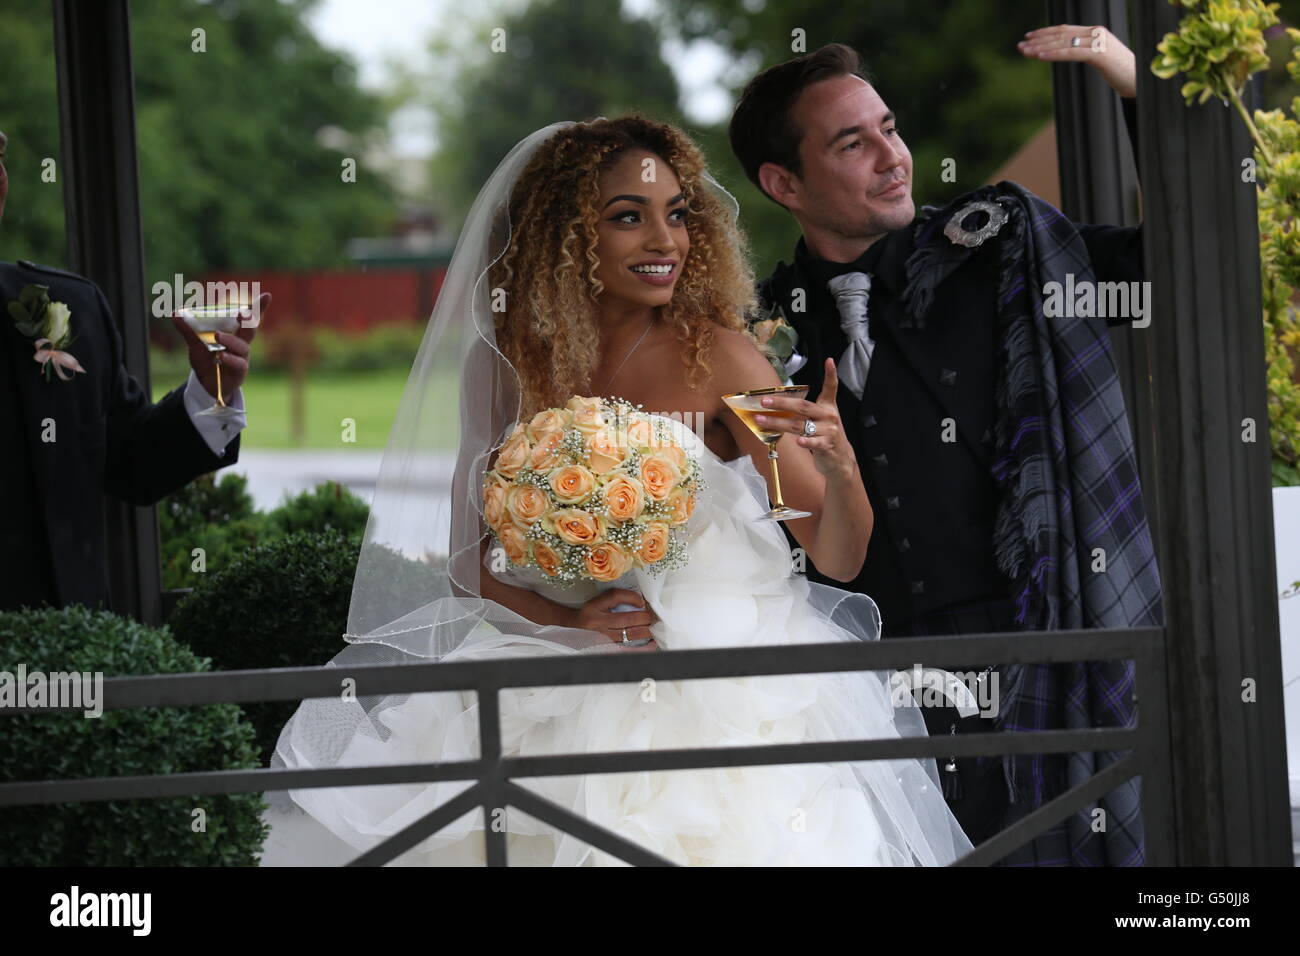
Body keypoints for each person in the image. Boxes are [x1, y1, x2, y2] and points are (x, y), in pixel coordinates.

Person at [267, 115, 974, 866]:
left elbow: (836, 556)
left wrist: (839, 464)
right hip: (555, 679)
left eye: (678, 214)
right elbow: (466, 564)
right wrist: (565, 623)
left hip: (726, 685)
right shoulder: (510, 366)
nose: (665, 240)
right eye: (628, 218)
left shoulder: (727, 359)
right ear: (563, 235)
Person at [729, 28, 1160, 865]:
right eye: (854, 142)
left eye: (890, 128)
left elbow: (1162, 266)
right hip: (846, 680)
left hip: (1028, 653)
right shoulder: (754, 328)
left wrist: (1133, 85)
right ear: (784, 182)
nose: (893, 156)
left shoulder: (1004, 252)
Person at [0, 126, 265, 613]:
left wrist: (210, 394)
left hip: (63, 661)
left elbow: (131, 465)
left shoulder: (66, 309)